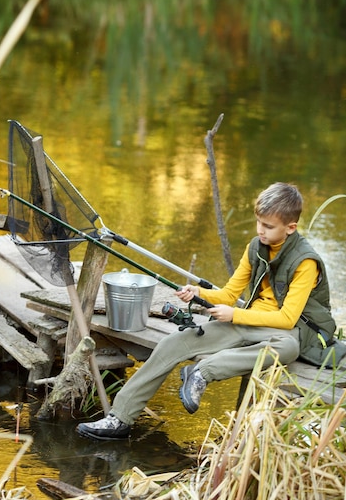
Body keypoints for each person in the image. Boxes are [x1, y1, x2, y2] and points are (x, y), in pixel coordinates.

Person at [76, 182, 343, 441]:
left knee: (287, 349)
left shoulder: (305, 262)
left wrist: (234, 314)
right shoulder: (256, 247)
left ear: (291, 227)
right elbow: (229, 294)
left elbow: (287, 318)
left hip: (287, 330)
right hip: (247, 321)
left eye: (268, 226)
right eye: (258, 222)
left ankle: (203, 372)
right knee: (174, 342)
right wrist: (199, 293)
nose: (260, 230)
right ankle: (120, 417)